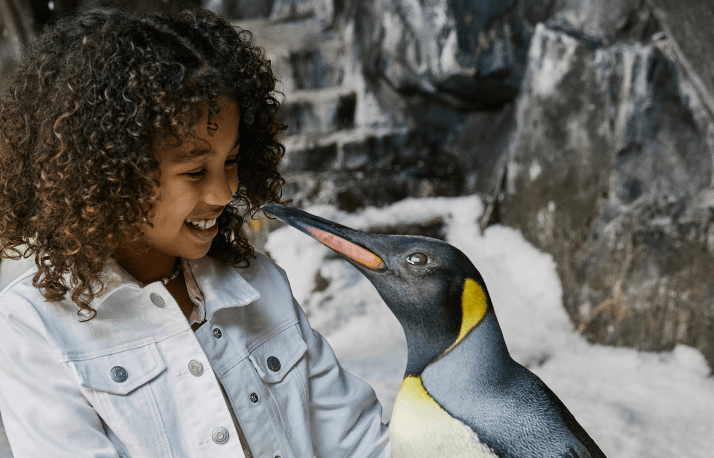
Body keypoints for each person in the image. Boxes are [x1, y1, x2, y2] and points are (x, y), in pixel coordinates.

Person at [0, 7, 391, 458]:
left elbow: (361, 444)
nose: (225, 192)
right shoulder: (33, 325)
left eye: (230, 161)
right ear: (109, 174)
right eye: (194, 171)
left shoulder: (259, 283)